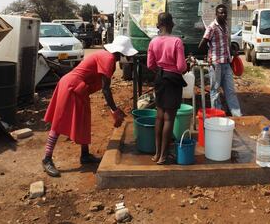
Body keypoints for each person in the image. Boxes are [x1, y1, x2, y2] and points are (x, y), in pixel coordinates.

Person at [41, 35, 138, 177]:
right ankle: (47, 158)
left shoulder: (106, 56)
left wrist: (114, 109)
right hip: (71, 86)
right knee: (59, 121)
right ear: (121, 53)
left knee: (83, 120)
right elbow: (106, 88)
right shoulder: (109, 58)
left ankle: (85, 155)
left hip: (80, 89)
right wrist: (114, 110)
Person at [147, 12, 187, 165]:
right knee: (169, 118)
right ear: (172, 24)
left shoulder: (153, 42)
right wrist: (186, 66)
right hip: (172, 80)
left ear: (158, 25)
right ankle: (164, 155)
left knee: (159, 116)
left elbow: (150, 65)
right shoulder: (176, 41)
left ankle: (157, 153)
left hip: (159, 79)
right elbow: (181, 66)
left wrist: (161, 70)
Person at [198, 4, 242, 117]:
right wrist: (211, 55)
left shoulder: (226, 26)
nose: (223, 15)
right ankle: (217, 114)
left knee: (230, 90)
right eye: (221, 13)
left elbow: (225, 44)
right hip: (216, 63)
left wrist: (232, 52)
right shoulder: (212, 27)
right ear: (216, 14)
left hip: (226, 62)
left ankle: (237, 115)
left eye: (225, 13)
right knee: (215, 90)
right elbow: (202, 45)